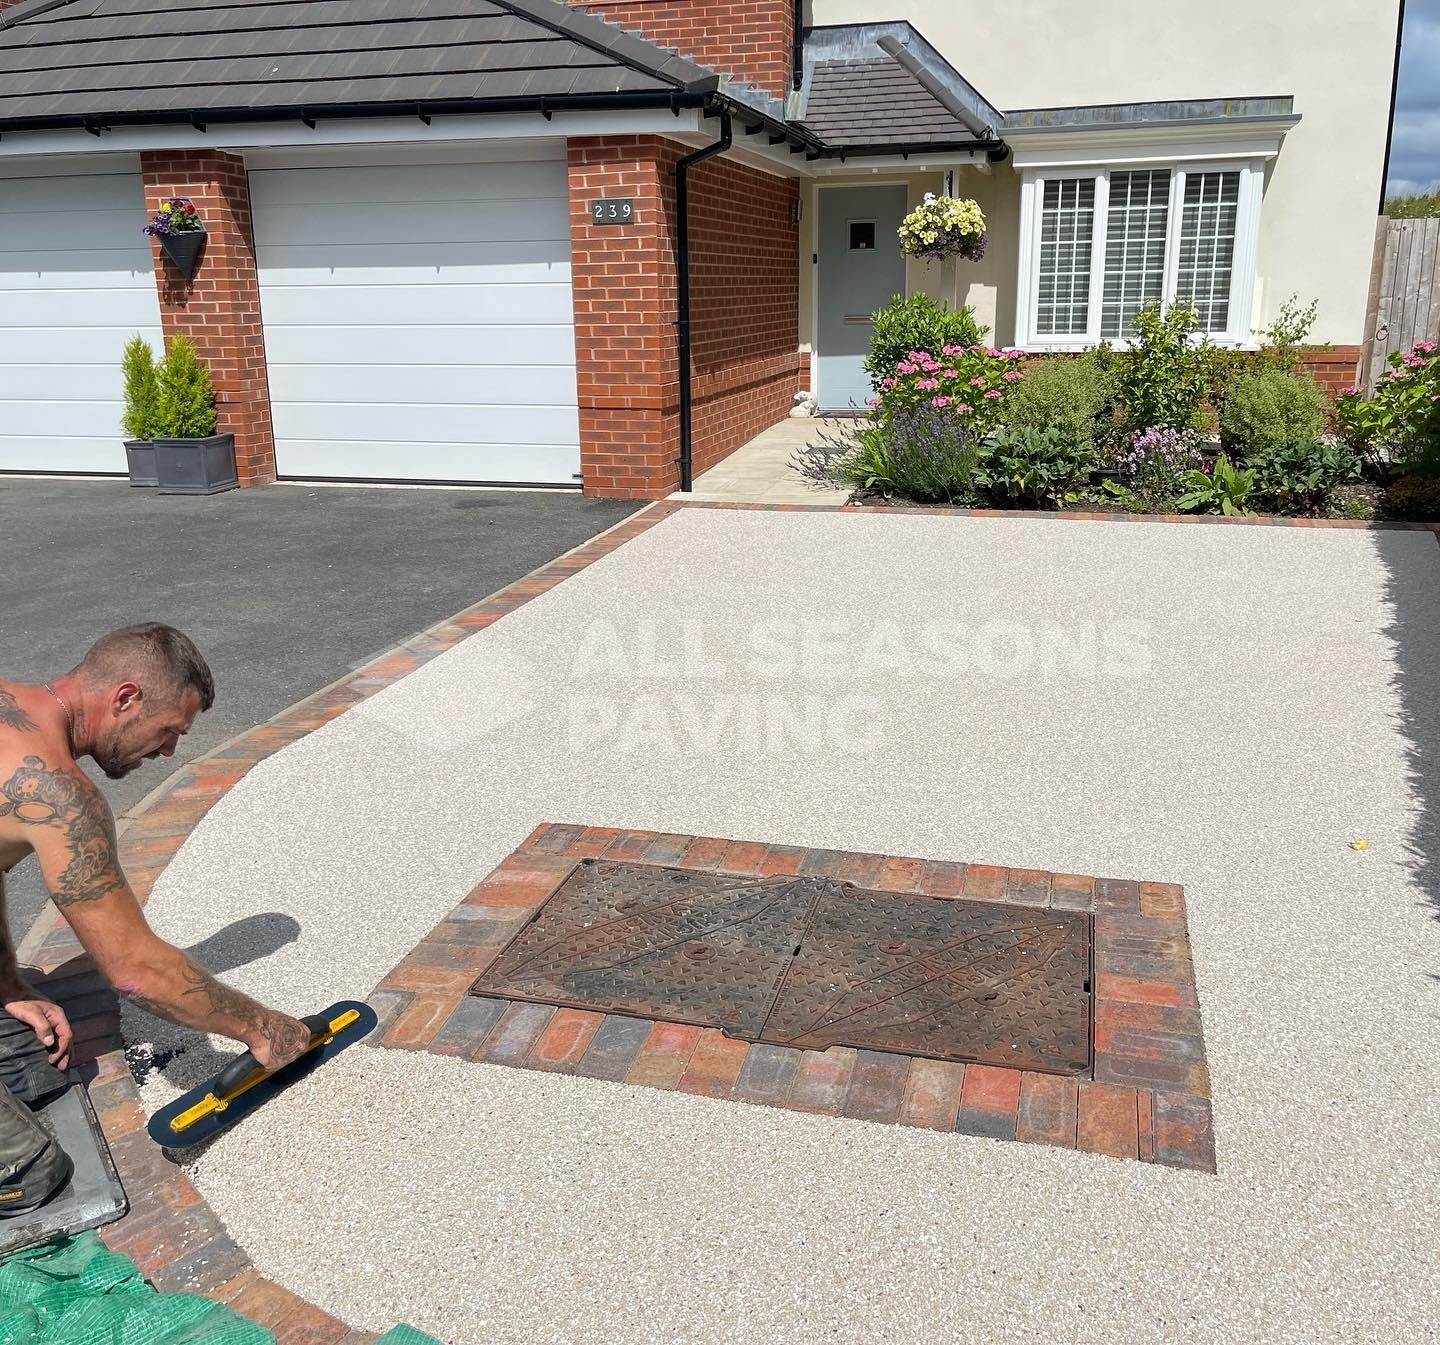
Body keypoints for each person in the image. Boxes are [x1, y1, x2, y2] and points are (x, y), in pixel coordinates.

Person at [0, 624, 310, 1210]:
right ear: (126, 698)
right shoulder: (58, 795)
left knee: (22, 1057)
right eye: (169, 730)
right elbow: (134, 970)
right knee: (30, 1171)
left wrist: (6, 983)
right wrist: (262, 1030)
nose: (168, 751)